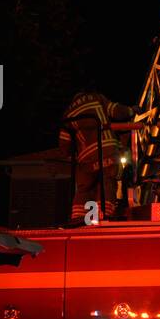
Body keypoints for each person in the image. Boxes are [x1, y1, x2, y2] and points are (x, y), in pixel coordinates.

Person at [58, 91, 139, 223]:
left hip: (85, 161)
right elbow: (116, 111)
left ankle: (79, 218)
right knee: (107, 182)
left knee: (84, 189)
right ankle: (103, 215)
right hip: (107, 151)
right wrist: (131, 111)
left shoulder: (68, 114)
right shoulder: (96, 98)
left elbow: (65, 146)